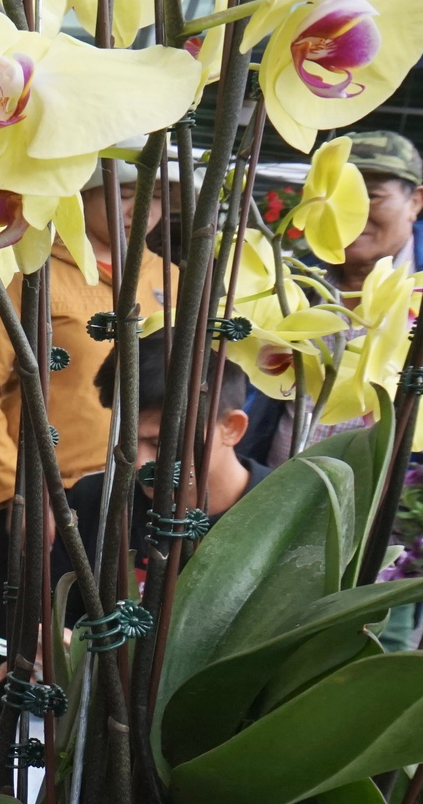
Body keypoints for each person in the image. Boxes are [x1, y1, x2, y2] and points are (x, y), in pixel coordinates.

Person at [0, 162, 173, 764]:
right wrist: (13, 493)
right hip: (46, 503)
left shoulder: (169, 280)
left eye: (155, 195)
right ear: (84, 189)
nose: (143, 206)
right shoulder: (33, 267)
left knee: (115, 668)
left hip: (136, 507)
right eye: (128, 191)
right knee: (14, 665)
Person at [242, 129, 423, 464]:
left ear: (415, 202)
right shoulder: (294, 283)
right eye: (336, 197)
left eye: (370, 196)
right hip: (273, 489)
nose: (349, 213)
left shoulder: (416, 293)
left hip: (390, 507)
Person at [60, 332, 270, 584]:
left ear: (232, 428)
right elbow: (61, 614)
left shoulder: (285, 515)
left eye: (160, 443)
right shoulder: (95, 501)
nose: (138, 463)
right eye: (126, 438)